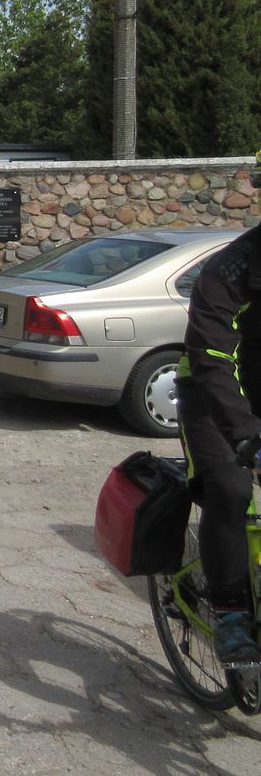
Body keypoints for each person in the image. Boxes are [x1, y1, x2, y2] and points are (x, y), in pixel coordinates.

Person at [176, 154, 261, 664]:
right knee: (230, 488)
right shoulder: (232, 267)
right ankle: (229, 612)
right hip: (213, 392)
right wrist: (247, 435)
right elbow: (210, 355)